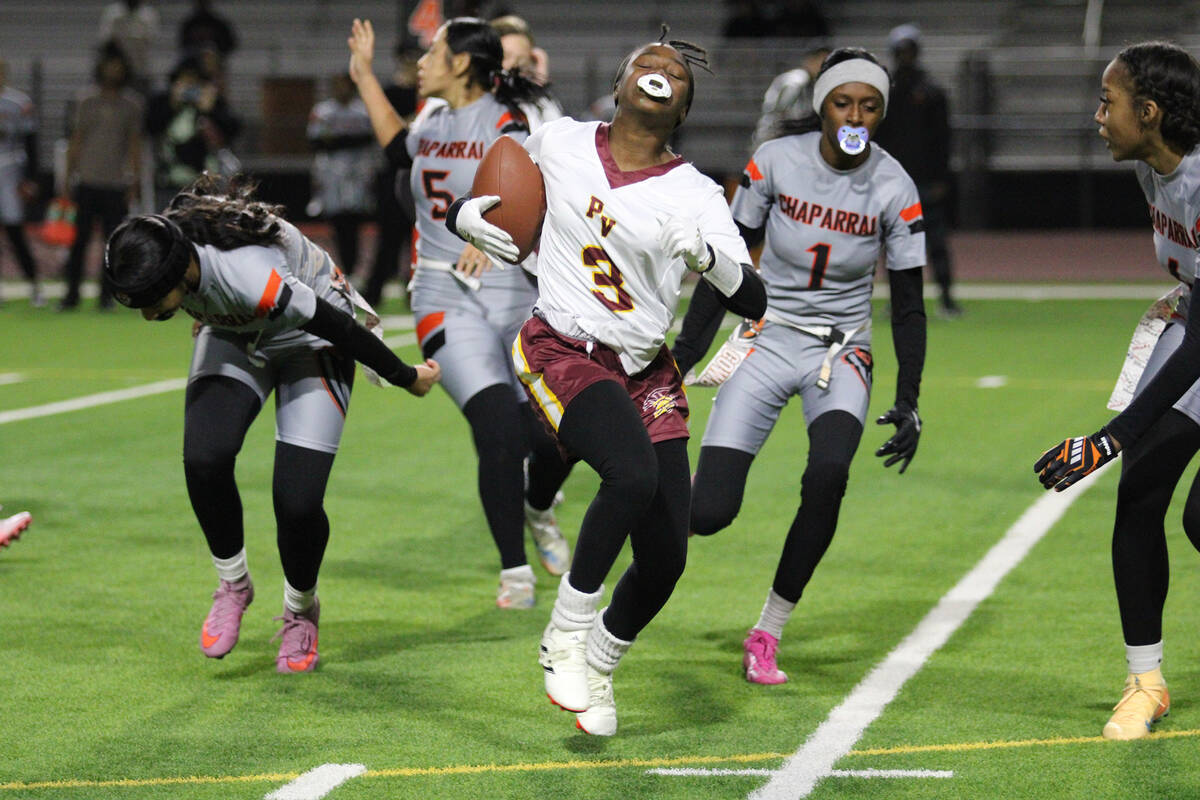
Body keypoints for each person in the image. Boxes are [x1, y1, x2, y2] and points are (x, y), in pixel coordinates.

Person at [449, 31, 768, 735]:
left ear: (683, 108)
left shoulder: (694, 191)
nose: (662, 72)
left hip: (644, 367)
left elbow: (751, 296)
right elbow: (491, 187)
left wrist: (710, 258)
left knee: (666, 558)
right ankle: (565, 631)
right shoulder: (559, 140)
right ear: (620, 86)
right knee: (629, 474)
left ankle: (597, 662)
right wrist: (465, 215)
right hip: (561, 346)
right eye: (648, 64)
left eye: (677, 73)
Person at [103, 173, 440, 672]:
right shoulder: (165, 243)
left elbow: (337, 326)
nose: (149, 314)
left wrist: (406, 375)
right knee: (204, 456)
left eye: (153, 302)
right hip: (236, 331)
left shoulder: (252, 276)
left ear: (179, 273)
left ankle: (301, 610)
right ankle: (233, 584)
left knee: (298, 502)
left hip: (312, 340)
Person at [676, 48, 927, 687]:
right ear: (822, 107)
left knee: (829, 475)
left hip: (840, 350)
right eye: (844, 102)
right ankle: (643, 513)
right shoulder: (776, 161)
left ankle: (769, 629)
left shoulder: (895, 186)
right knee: (707, 514)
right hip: (768, 336)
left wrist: (910, 395)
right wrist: (684, 355)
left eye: (870, 105)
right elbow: (724, 270)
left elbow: (907, 303)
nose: (856, 115)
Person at [348, 17, 572, 609]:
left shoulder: (509, 119)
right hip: (442, 296)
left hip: (515, 292)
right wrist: (363, 76)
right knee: (496, 428)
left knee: (555, 439)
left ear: (464, 63)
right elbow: (400, 150)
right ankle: (514, 571)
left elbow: (536, 190)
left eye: (434, 52)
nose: (422, 61)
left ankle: (539, 506)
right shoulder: (430, 119)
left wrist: (494, 225)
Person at [1034, 42, 1200, 740]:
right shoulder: (1153, 169)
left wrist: (1111, 435)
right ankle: (1145, 682)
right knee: (1141, 493)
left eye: (1109, 101)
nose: (1098, 115)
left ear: (1151, 112)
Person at [874, 24, 959, 317]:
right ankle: (900, 300)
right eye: (901, 51)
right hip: (894, 182)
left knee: (935, 243)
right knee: (895, 244)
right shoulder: (883, 93)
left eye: (909, 50)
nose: (905, 56)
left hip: (925, 180)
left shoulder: (932, 92)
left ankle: (946, 299)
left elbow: (943, 139)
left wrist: (941, 178)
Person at [59, 44, 143, 311]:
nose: (113, 70)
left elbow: (134, 146)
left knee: (113, 245)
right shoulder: (86, 101)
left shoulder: (131, 105)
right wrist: (67, 177)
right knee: (78, 242)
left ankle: (107, 297)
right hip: (87, 181)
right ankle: (71, 296)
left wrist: (134, 180)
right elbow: (76, 141)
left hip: (115, 183)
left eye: (118, 66)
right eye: (109, 65)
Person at [362, 44, 421, 308]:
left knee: (419, 239)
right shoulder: (392, 93)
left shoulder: (427, 93)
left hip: (421, 172)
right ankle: (375, 292)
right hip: (395, 173)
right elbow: (387, 130)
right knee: (389, 238)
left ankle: (416, 293)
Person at [145, 56, 240, 212]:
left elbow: (232, 131)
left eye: (194, 81)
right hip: (169, 181)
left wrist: (210, 109)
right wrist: (171, 105)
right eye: (185, 80)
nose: (190, 87)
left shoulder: (213, 103)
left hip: (206, 182)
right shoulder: (162, 101)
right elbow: (150, 128)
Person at [307, 73, 376, 278]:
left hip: (357, 171)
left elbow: (368, 138)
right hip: (332, 172)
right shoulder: (322, 111)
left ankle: (352, 265)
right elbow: (315, 141)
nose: (342, 90)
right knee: (336, 221)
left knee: (354, 221)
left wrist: (338, 140)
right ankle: (345, 264)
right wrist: (349, 140)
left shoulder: (361, 110)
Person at [0, 58, 41, 306]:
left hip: (10, 168)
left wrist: (30, 178)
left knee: (15, 230)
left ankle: (34, 285)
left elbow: (31, 142)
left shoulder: (19, 102)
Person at [750, 44, 830, 151]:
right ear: (809, 61)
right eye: (821, 61)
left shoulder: (814, 84)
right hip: (776, 138)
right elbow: (782, 114)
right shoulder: (795, 81)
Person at [489, 15, 563, 131]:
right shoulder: (477, 105)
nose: (514, 66)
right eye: (506, 57)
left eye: (522, 60)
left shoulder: (543, 104)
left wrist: (540, 84)